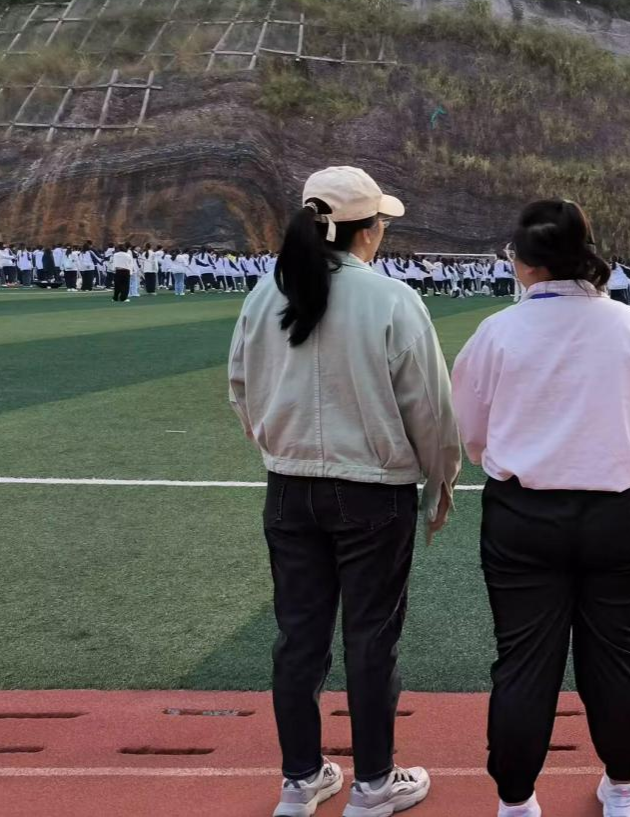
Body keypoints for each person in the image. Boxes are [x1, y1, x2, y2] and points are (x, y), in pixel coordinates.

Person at [228, 166, 459, 817]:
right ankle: (373, 783)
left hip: (288, 486)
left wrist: (279, 446)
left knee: (298, 637)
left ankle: (301, 778)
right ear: (368, 230)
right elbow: (431, 411)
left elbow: (240, 389)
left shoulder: (264, 294)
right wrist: (440, 479)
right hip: (373, 494)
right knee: (371, 638)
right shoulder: (391, 300)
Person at [452, 199, 630, 817]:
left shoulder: (499, 331)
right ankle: (622, 790)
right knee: (618, 655)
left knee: (523, 663)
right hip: (619, 512)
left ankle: (517, 802)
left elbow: (471, 430)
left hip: (524, 514)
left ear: (523, 262)